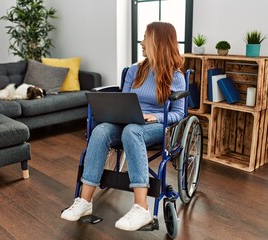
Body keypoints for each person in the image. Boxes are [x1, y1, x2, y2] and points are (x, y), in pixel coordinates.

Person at [61, 21, 185, 231]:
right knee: (100, 131)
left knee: (132, 130)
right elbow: (124, 98)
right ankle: (85, 202)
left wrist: (154, 117)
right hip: (126, 122)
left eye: (145, 37)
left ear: (157, 42)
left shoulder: (176, 77)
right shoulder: (134, 71)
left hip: (154, 127)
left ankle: (142, 208)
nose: (142, 42)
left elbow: (179, 114)